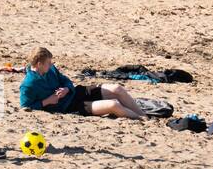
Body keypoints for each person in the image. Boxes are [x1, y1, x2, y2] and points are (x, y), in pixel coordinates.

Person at [19, 47, 147, 119]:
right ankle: (140, 119)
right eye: (48, 62)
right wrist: (47, 101)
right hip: (71, 108)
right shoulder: (28, 84)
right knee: (114, 104)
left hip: (76, 92)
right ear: (39, 64)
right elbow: (25, 106)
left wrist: (67, 89)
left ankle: (144, 115)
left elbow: (65, 80)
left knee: (117, 89)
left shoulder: (51, 69)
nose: (51, 64)